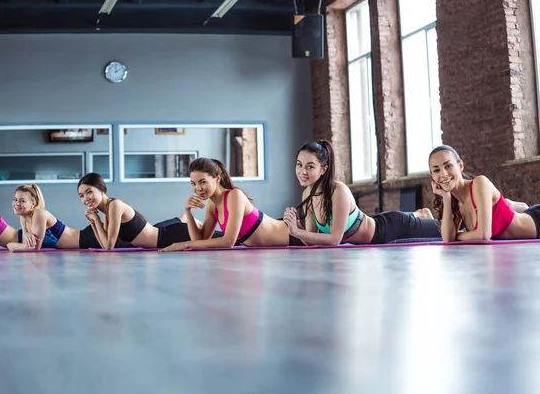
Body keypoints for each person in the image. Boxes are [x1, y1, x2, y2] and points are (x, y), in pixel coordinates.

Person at [282, 140, 443, 246]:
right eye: (299, 165)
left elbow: (334, 239)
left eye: (310, 166)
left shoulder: (338, 191)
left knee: (447, 230)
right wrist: (296, 228)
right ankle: (419, 214)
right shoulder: (307, 195)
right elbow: (312, 242)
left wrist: (298, 232)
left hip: (391, 229)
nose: (302, 171)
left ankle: (420, 216)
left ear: (323, 169)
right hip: (376, 223)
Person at [159, 158, 305, 252]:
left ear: (217, 179)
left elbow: (229, 241)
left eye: (203, 182)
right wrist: (188, 211)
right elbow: (200, 241)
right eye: (193, 183)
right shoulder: (212, 206)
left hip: (296, 235)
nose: (198, 188)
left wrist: (184, 244)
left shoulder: (234, 195)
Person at [428, 144, 540, 242]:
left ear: (460, 166)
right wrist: (446, 198)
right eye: (436, 170)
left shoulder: (479, 183)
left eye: (448, 166)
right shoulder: (456, 202)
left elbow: (483, 235)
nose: (443, 174)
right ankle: (512, 205)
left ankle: (514, 206)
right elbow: (447, 239)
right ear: (432, 175)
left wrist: (457, 235)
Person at [77, 173, 210, 250]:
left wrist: (96, 220)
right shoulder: (107, 211)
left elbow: (109, 245)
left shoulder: (114, 205)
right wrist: (94, 221)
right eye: (82, 196)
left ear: (101, 190)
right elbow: (103, 243)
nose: (86, 198)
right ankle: (185, 220)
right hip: (164, 236)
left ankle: (188, 221)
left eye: (89, 192)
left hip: (170, 237)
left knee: (225, 239)